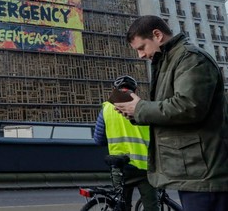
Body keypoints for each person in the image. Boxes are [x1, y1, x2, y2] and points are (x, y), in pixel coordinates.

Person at [114, 15, 228, 211]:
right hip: (194, 171)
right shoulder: (169, 60)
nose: (141, 55)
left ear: (157, 35)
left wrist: (140, 108)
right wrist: (134, 112)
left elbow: (189, 106)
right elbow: (172, 108)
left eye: (142, 47)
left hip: (204, 174)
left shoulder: (191, 58)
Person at [93, 75, 159, 210]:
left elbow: (98, 139)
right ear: (134, 91)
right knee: (151, 206)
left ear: (115, 90)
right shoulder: (145, 109)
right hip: (144, 166)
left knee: (122, 205)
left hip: (120, 165)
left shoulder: (106, 110)